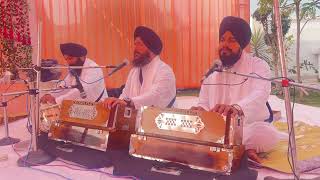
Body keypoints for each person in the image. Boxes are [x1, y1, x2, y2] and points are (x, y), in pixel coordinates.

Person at [192, 16, 281, 163]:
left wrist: (237, 109)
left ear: (242, 44)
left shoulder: (258, 65)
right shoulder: (213, 71)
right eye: (222, 39)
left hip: (248, 127)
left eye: (231, 40)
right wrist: (199, 109)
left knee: (267, 134)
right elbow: (204, 102)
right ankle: (241, 149)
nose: (224, 45)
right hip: (217, 129)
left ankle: (233, 147)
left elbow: (260, 94)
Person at [103, 26, 176, 110]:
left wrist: (129, 102)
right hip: (135, 121)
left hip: (160, 121)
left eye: (140, 44)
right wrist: (115, 102)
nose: (135, 49)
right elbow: (125, 95)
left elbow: (155, 96)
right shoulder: (134, 71)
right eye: (135, 44)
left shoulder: (165, 71)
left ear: (151, 49)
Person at [40, 43, 108, 104]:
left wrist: (57, 100)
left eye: (70, 58)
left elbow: (83, 89)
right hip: (82, 109)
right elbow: (65, 85)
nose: (68, 62)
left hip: (99, 108)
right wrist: (51, 95)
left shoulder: (93, 68)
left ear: (81, 57)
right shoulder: (76, 68)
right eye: (66, 59)